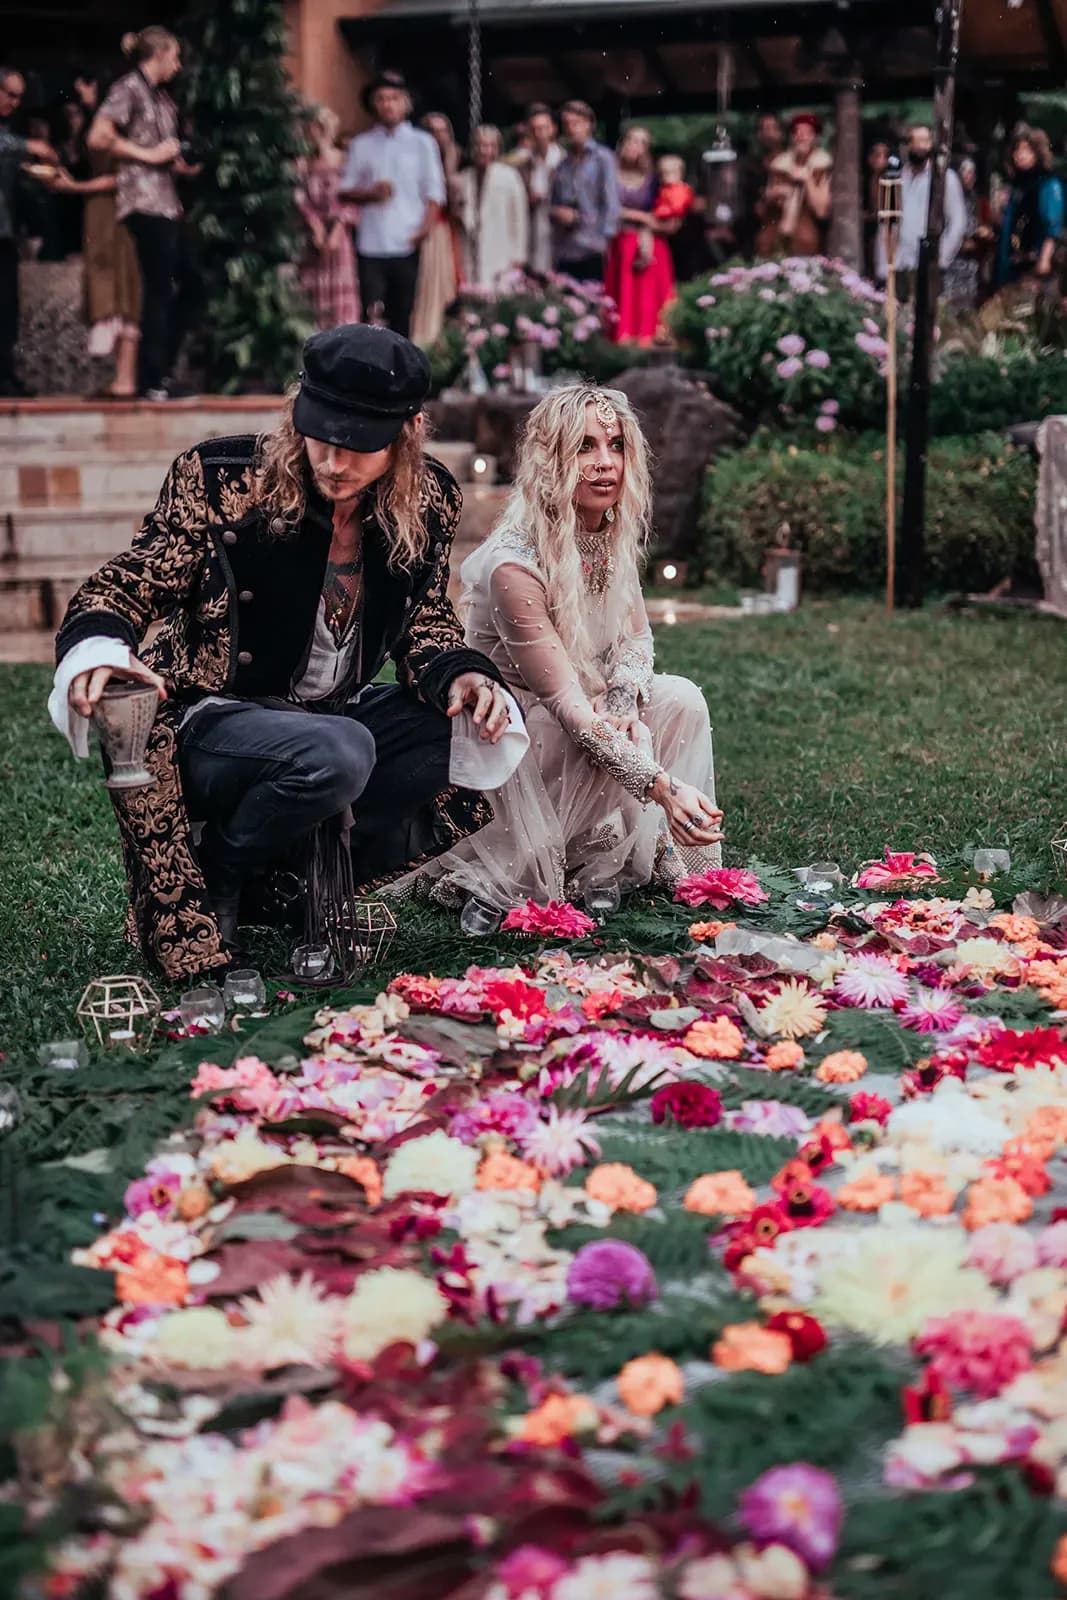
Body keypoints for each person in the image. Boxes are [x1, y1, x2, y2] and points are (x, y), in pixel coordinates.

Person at [48, 324, 519, 981]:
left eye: (357, 445)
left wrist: (463, 674)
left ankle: (282, 880)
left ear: (407, 433)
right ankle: (220, 873)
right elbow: (128, 583)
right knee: (338, 750)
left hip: (329, 715)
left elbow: (424, 619)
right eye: (319, 433)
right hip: (212, 726)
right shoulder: (217, 480)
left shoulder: (431, 499)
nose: (332, 460)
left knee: (461, 735)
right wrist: (98, 648)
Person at [403, 384, 723, 924]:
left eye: (615, 445)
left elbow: (636, 637)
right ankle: (539, 858)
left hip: (588, 704)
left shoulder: (609, 529)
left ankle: (682, 858)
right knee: (579, 731)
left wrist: (622, 700)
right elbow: (566, 707)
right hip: (519, 733)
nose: (605, 465)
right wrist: (661, 788)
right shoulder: (514, 564)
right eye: (585, 448)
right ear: (552, 461)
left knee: (680, 698)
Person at [88, 27, 200, 400]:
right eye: (175, 56)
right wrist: (149, 155)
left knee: (192, 282)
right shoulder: (129, 88)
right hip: (143, 203)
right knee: (159, 288)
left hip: (166, 202)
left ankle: (160, 372)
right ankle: (153, 380)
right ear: (162, 53)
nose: (178, 65)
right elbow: (99, 136)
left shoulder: (160, 98)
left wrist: (176, 164)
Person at [48, 82, 142, 396]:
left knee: (122, 290)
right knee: (106, 287)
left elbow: (123, 177)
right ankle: (122, 378)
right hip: (99, 215)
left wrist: (76, 188)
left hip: (115, 214)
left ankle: (126, 378)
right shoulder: (91, 129)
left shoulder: (117, 131)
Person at [340, 70, 445, 339]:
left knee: (402, 314)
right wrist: (369, 194)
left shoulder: (422, 143)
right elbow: (345, 191)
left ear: (405, 103)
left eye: (394, 98)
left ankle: (400, 376)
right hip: (371, 243)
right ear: (374, 104)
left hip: (406, 240)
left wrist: (423, 230)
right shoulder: (361, 144)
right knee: (372, 313)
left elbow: (435, 192)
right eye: (382, 99)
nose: (388, 104)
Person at [0, 67, 58, 396]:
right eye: (9, 94)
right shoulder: (10, 139)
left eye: (19, 97)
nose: (15, 102)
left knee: (7, 309)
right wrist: (31, 146)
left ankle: (5, 376)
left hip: (5, 233)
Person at [603, 126, 675, 345]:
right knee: (621, 298)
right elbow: (608, 208)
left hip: (648, 243)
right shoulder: (610, 174)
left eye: (641, 142)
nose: (634, 145)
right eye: (631, 140)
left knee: (649, 302)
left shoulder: (654, 179)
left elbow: (665, 211)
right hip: (621, 243)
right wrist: (642, 217)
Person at [875, 124, 966, 291]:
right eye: (915, 141)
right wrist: (883, 266)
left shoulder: (945, 178)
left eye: (924, 141)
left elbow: (958, 222)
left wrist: (942, 258)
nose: (920, 146)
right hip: (900, 264)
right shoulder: (897, 179)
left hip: (930, 265)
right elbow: (887, 225)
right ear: (908, 145)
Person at [295, 106, 360, 331]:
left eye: (318, 129)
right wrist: (315, 227)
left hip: (338, 237)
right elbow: (300, 198)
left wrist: (338, 230)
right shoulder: (303, 164)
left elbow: (352, 200)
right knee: (311, 297)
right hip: (313, 237)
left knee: (341, 305)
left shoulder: (344, 161)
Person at [550, 99, 619, 281]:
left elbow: (612, 203)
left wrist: (606, 243)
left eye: (576, 123)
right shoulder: (562, 165)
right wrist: (558, 212)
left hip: (594, 246)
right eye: (566, 125)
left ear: (589, 124)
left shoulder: (603, 158)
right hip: (566, 248)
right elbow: (554, 202)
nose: (571, 129)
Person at [455, 124, 529, 290]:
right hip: (469, 253)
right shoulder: (463, 178)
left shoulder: (509, 176)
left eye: (490, 146)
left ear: (497, 149)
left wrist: (518, 258)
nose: (485, 150)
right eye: (481, 145)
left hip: (501, 251)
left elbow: (519, 219)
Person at [995, 124, 1065, 294]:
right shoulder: (1017, 185)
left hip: (1034, 264)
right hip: (1010, 263)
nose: (1020, 155)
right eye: (1016, 150)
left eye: (1026, 150)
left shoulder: (1047, 184)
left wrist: (1044, 259)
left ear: (1037, 153)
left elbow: (1052, 227)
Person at [411, 112, 462, 345]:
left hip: (444, 232)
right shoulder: (414, 159)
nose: (438, 137)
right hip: (423, 231)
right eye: (433, 131)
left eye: (443, 131)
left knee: (444, 287)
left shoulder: (454, 160)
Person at [761, 113, 832, 258]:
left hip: (807, 228)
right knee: (764, 241)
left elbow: (821, 211)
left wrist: (807, 180)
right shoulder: (779, 164)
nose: (801, 137)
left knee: (805, 240)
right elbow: (767, 199)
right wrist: (776, 194)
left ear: (814, 137)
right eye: (797, 132)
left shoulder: (823, 166)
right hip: (777, 225)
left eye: (807, 133)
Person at [510, 103, 563, 275]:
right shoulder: (522, 162)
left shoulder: (564, 160)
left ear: (553, 129)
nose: (539, 133)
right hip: (532, 232)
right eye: (534, 129)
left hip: (559, 234)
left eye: (543, 128)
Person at [740, 111, 784, 257]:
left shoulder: (791, 162)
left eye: (773, 128)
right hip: (757, 230)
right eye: (764, 129)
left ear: (781, 133)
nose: (768, 134)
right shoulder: (751, 167)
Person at [863, 138, 890, 282]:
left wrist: (871, 215)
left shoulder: (889, 180)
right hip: (867, 232)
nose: (881, 160)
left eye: (884, 156)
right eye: (877, 155)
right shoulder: (864, 180)